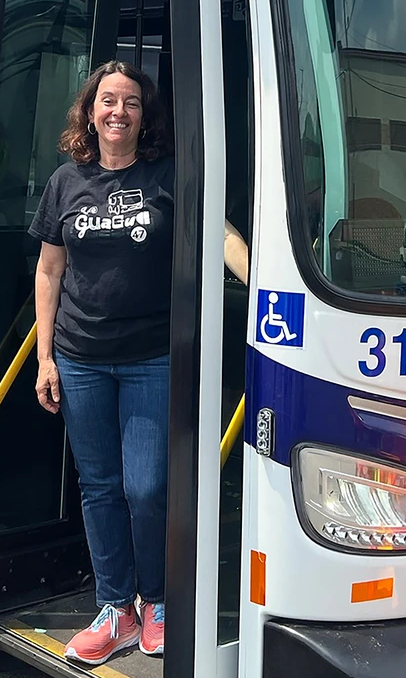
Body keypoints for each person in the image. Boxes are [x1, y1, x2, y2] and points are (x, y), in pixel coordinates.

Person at [29, 60, 248, 666]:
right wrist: (46, 356)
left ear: (142, 115)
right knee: (99, 488)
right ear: (90, 112)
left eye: (129, 102)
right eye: (107, 101)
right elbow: (50, 271)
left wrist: (268, 288)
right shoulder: (66, 183)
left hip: (151, 359)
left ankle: (156, 601)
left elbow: (221, 234)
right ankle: (115, 609)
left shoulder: (168, 176)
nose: (117, 111)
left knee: (147, 488)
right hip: (79, 359)